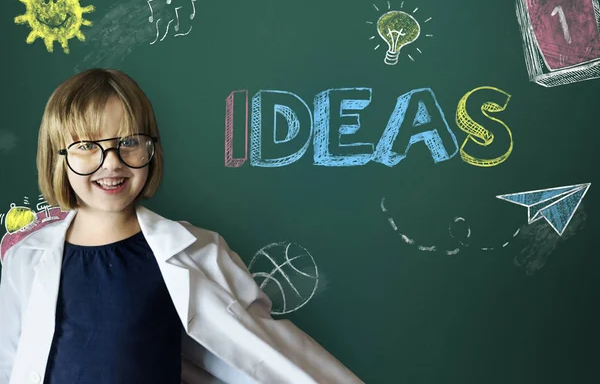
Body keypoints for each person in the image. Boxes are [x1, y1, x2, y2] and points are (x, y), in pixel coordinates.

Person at [0, 69, 365, 384]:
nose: (111, 163)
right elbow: (11, 363)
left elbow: (263, 348)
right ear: (58, 157)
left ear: (151, 149)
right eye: (86, 146)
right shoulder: (24, 260)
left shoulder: (198, 251)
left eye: (128, 142)